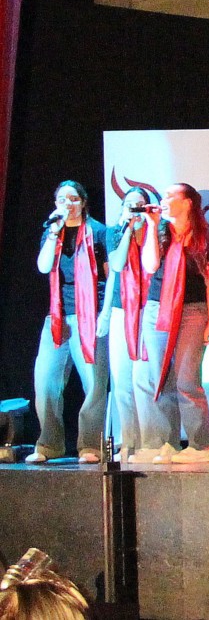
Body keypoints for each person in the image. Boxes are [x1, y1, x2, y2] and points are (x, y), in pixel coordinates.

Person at [138, 184, 209, 464]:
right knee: (161, 379)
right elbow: (150, 266)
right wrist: (152, 227)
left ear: (187, 203)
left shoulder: (208, 238)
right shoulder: (159, 232)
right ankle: (168, 443)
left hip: (192, 311)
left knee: (187, 379)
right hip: (158, 309)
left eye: (170, 196)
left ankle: (200, 446)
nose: (163, 200)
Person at [30, 182, 109, 464]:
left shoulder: (98, 232)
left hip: (91, 314)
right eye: (62, 199)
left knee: (94, 384)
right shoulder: (53, 231)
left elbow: (110, 274)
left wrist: (105, 314)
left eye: (73, 199)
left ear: (83, 202)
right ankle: (49, 444)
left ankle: (90, 445)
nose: (68, 204)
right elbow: (43, 267)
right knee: (45, 381)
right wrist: (53, 232)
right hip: (58, 316)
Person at [104, 188, 157, 462]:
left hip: (147, 309)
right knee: (122, 380)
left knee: (143, 379)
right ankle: (129, 442)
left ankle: (150, 442)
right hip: (121, 310)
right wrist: (127, 230)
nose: (135, 209)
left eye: (140, 205)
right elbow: (116, 265)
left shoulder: (156, 232)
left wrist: (145, 226)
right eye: (130, 205)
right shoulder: (114, 232)